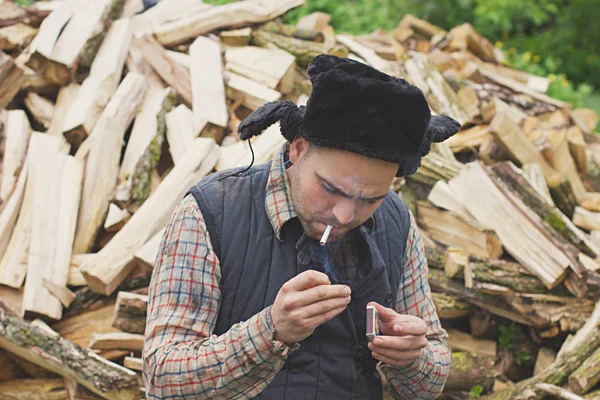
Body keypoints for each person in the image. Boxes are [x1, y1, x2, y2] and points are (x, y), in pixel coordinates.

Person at [142, 54, 461, 399]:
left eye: (369, 199)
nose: (343, 214)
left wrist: (411, 357)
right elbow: (163, 378)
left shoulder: (395, 221)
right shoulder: (213, 211)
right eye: (330, 189)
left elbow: (429, 381)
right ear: (297, 149)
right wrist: (271, 331)